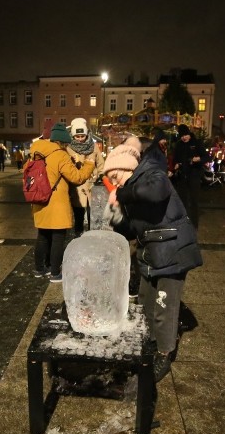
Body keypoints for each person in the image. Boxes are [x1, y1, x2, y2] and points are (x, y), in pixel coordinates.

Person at [105, 142, 203, 382]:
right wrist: (117, 220)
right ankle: (148, 345)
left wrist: (122, 193)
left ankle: (163, 354)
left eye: (115, 176)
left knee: (164, 308)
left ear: (126, 168)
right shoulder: (130, 189)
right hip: (152, 253)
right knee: (146, 303)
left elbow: (157, 192)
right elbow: (132, 230)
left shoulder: (152, 173)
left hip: (172, 250)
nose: (115, 183)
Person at [29, 123, 94, 282]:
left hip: (39, 200)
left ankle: (39, 269)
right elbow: (77, 177)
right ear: (62, 142)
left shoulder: (35, 152)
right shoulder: (60, 155)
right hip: (56, 203)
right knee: (58, 237)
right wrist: (89, 164)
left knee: (42, 236)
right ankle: (55, 273)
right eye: (65, 144)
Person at [67, 118, 105, 236]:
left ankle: (91, 236)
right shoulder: (68, 147)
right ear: (73, 136)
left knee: (92, 214)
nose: (80, 139)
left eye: (82, 136)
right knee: (78, 215)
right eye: (77, 136)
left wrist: (101, 175)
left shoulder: (93, 147)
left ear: (86, 134)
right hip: (76, 187)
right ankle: (78, 236)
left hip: (91, 186)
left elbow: (101, 164)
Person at [172, 123, 210, 229]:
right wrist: (176, 164)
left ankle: (194, 224)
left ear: (189, 133)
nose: (184, 137)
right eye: (182, 136)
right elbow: (175, 158)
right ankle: (183, 224)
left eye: (185, 135)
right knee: (182, 201)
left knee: (194, 201)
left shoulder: (196, 143)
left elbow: (207, 157)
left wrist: (199, 159)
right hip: (182, 177)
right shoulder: (179, 145)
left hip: (194, 176)